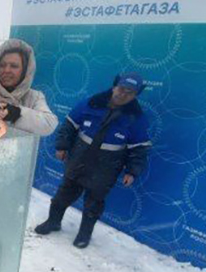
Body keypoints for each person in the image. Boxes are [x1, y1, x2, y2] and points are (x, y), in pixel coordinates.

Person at [34, 73, 151, 248]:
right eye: (121, 89)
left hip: (107, 167)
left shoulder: (137, 118)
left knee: (94, 204)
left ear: (136, 95)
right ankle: (53, 222)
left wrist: (132, 171)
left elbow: (139, 148)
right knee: (61, 196)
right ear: (114, 86)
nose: (123, 94)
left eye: (130, 92)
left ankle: (84, 234)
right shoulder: (91, 102)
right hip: (78, 158)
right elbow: (69, 125)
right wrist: (62, 146)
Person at [0, 39, 57, 136]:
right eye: (2, 65)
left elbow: (49, 124)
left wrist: (16, 113)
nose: (7, 70)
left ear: (25, 71)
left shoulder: (34, 97)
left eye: (14, 66)